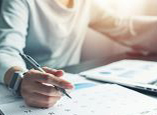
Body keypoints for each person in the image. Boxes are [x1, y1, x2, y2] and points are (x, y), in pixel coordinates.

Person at [0, 0, 157, 108]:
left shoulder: (84, 2)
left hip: (70, 85)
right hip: (26, 94)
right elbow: (6, 50)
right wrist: (19, 79)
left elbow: (122, 26)